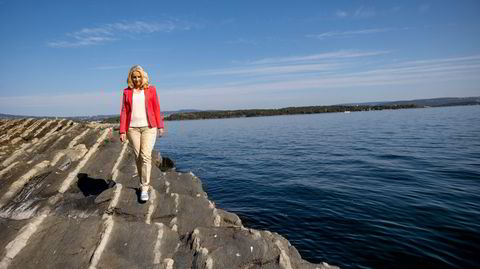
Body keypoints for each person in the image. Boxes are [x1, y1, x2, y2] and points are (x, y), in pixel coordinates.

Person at [119, 65, 164, 202]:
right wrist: (122, 130)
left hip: (149, 127)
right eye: (134, 77)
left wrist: (160, 126)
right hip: (132, 129)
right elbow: (124, 111)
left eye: (139, 76)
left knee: (145, 156)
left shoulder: (151, 90)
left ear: (143, 76)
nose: (137, 79)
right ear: (130, 78)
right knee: (138, 157)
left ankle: (144, 187)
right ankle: (142, 181)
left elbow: (156, 108)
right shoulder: (126, 92)